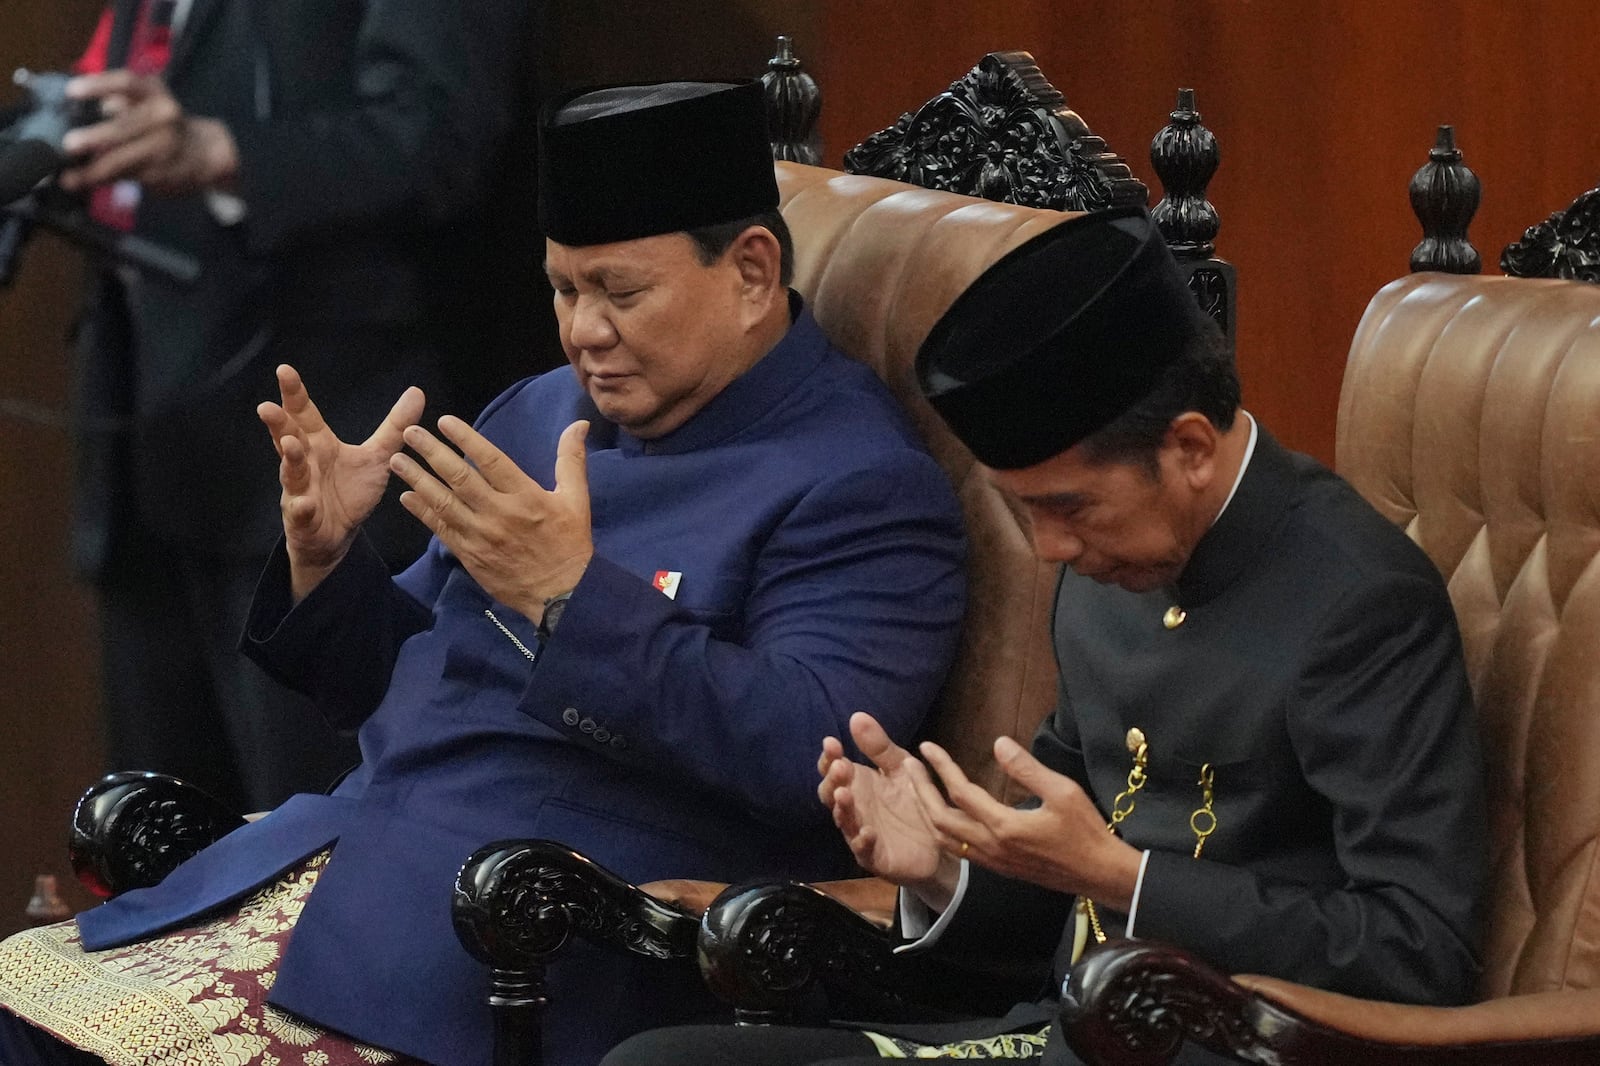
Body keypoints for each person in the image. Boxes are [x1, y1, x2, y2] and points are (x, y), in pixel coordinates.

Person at [0, 81, 967, 1066]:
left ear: (752, 272)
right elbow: (394, 682)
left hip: (527, 936)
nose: (584, 332)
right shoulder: (544, 411)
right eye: (563, 290)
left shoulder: (859, 483)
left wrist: (571, 597)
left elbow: (807, 759)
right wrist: (329, 559)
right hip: (349, 869)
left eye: (620, 293)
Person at [602, 207, 1489, 1066]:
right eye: (1026, 511)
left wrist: (1124, 877)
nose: (1052, 551)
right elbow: (1056, 876)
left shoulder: (1362, 603)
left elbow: (1420, 949)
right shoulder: (1111, 573)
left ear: (1187, 448)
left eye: (1069, 507)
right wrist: (942, 869)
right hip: (1068, 1029)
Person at [61, 0, 549, 813]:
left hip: (327, 450)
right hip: (150, 447)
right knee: (155, 867)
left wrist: (223, 152)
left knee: (311, 849)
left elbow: (440, 134)